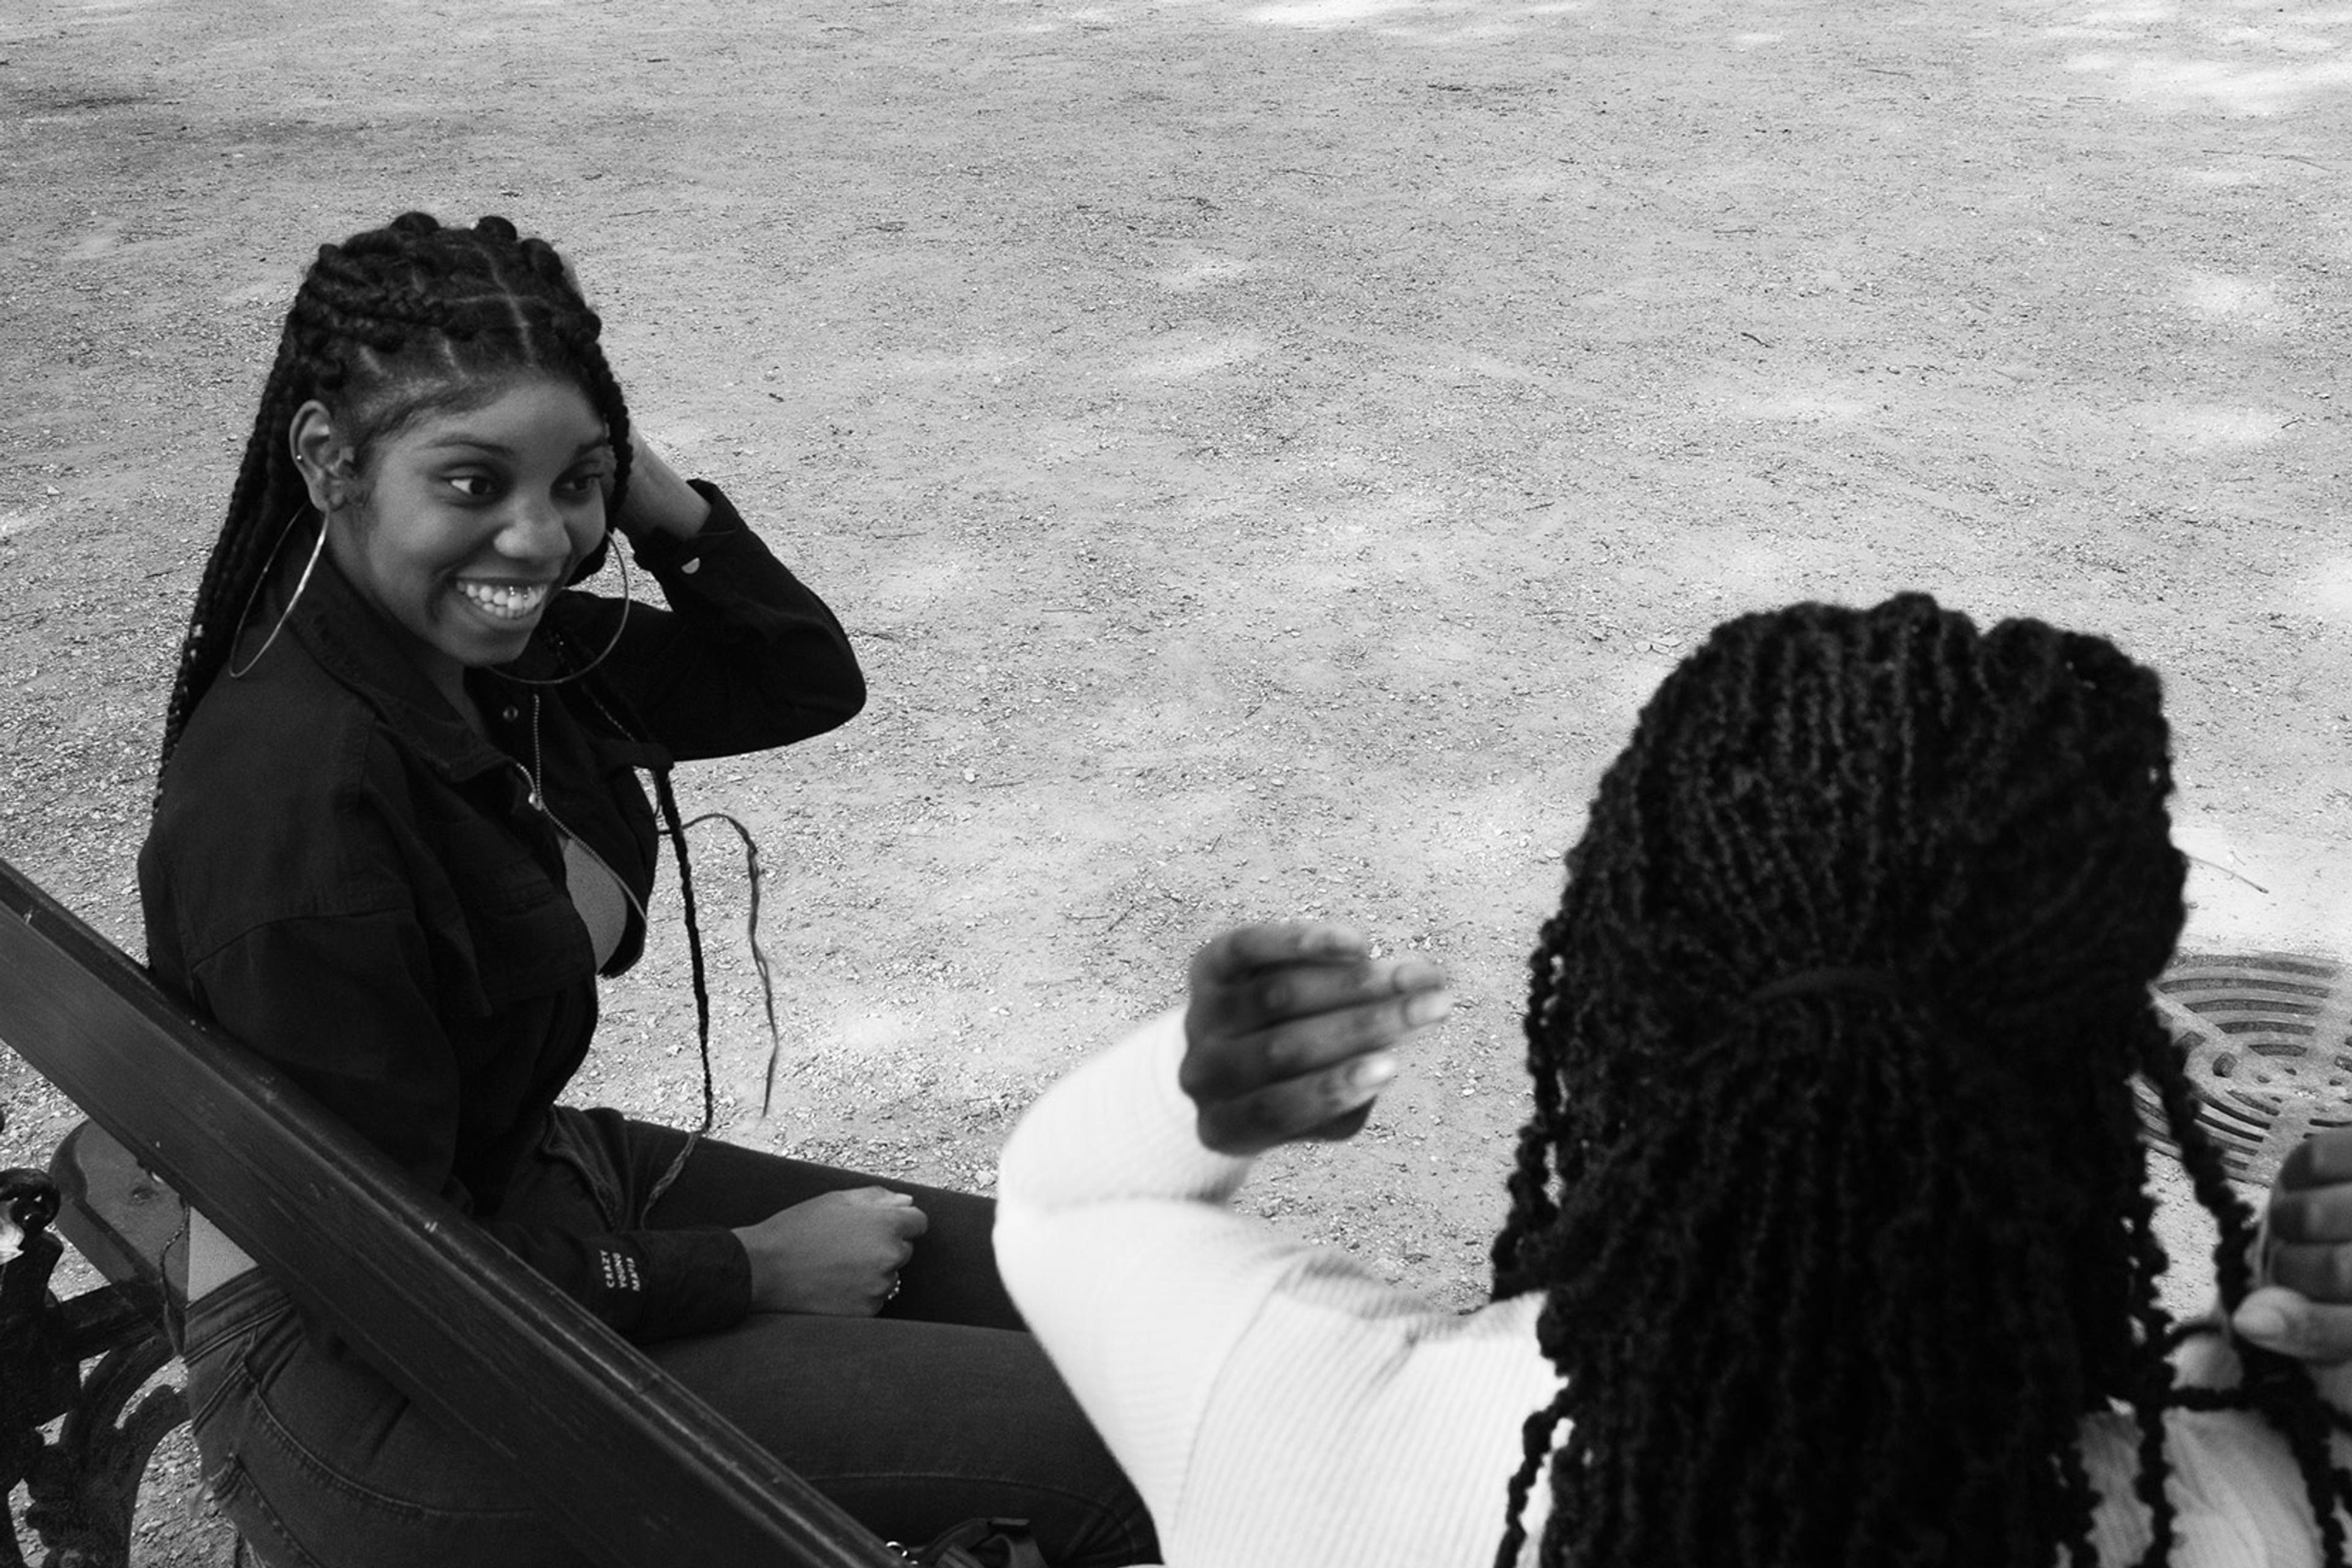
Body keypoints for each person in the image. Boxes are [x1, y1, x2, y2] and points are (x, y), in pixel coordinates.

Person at [140, 211, 1154, 1568]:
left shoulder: (489, 648)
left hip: (510, 1204)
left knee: (1108, 1295)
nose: (539, 537)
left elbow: (796, 678)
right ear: (327, 460)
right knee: (1126, 1441)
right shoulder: (305, 815)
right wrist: (750, 1266)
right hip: (377, 1389)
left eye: (576, 483)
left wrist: (656, 502)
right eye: (471, 481)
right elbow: (393, 1290)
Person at [994, 594, 2352, 1568]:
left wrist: (1190, 1092)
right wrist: (2297, 1365)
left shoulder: (1292, 1417)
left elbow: (1064, 1209)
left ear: (1604, 1005)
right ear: (2100, 1086)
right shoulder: (2258, 1512)